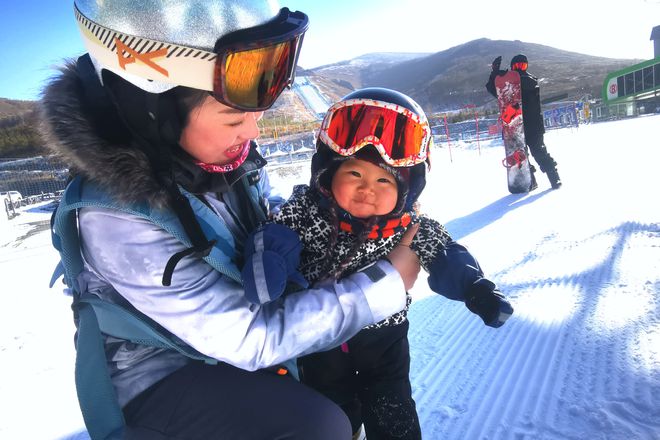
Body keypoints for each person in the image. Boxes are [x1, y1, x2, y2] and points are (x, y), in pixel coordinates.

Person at [40, 2, 419, 439]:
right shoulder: (117, 219)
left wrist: (316, 220)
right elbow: (250, 337)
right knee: (320, 426)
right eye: (236, 117)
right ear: (152, 110)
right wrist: (385, 285)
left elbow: (250, 215)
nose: (254, 131)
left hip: (219, 344)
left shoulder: (209, 157)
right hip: (160, 375)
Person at [241, 88, 514, 440]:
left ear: (407, 190)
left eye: (384, 180)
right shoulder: (306, 211)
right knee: (332, 411)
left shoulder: (410, 226)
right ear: (328, 173)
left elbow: (446, 255)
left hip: (384, 340)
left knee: (393, 408)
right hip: (319, 336)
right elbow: (275, 237)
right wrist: (267, 269)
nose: (367, 189)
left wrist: (477, 289)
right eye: (355, 174)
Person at [486, 54, 562, 189]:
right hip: (519, 126)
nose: (520, 69)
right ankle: (532, 181)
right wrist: (496, 75)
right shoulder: (514, 84)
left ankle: (553, 178)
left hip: (528, 126)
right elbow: (495, 90)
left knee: (535, 152)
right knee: (524, 155)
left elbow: (517, 85)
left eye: (522, 66)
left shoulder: (530, 81)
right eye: (517, 66)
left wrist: (500, 76)